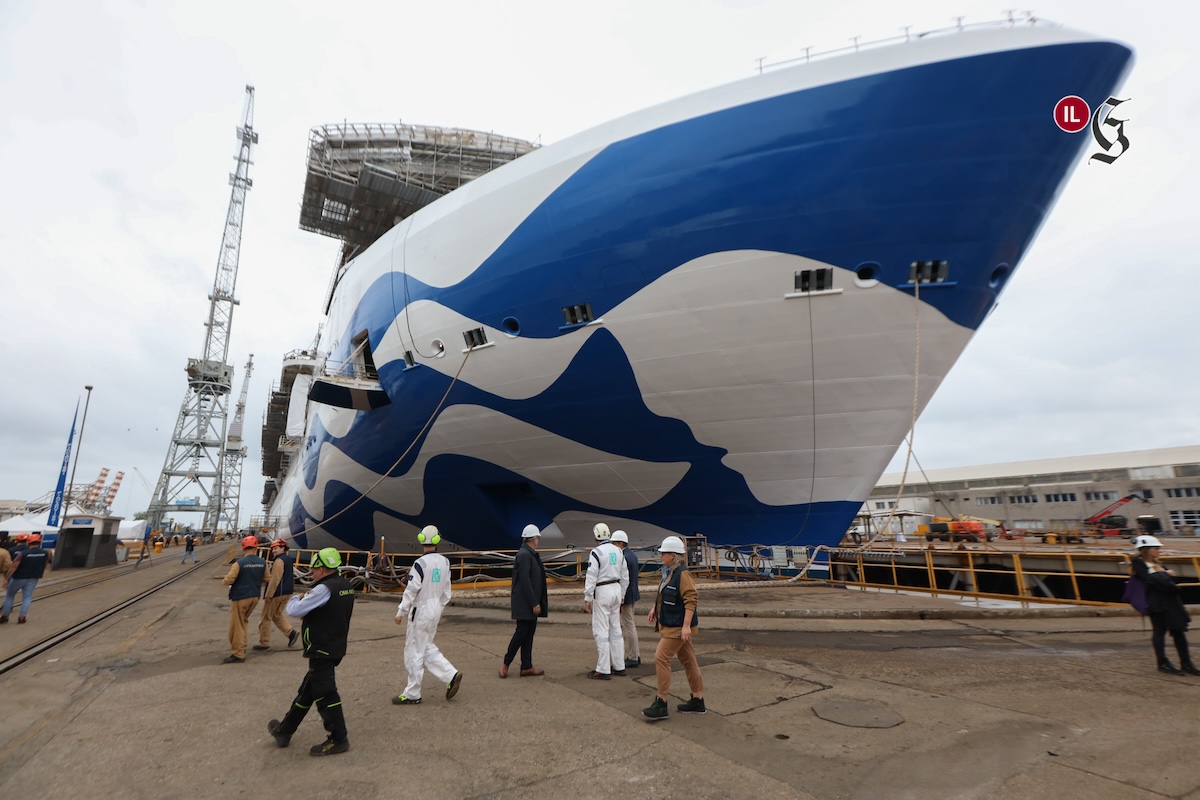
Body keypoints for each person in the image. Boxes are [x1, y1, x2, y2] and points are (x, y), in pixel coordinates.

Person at [268, 547, 355, 756]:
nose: (312, 573)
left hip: (321, 648)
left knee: (326, 694)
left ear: (323, 569)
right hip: (335, 646)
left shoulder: (323, 589)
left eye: (314, 570)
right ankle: (285, 730)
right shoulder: (346, 586)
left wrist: (297, 598)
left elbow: (294, 610)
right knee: (307, 691)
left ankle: (338, 738)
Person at [392, 525, 463, 705]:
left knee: (414, 650)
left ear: (421, 539)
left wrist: (402, 610)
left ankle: (412, 693)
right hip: (436, 608)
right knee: (425, 646)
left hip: (421, 609)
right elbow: (447, 591)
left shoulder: (420, 564)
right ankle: (450, 675)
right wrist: (439, 607)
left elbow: (412, 590)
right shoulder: (445, 562)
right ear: (438, 540)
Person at [643, 535, 705, 720]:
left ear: (672, 555)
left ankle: (661, 703)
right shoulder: (669, 572)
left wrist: (686, 626)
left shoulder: (682, 574)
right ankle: (697, 700)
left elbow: (691, 598)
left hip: (677, 626)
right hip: (673, 623)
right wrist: (655, 608)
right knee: (689, 661)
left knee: (661, 657)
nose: (661, 555)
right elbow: (666, 594)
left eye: (663, 553)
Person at [1131, 535, 1199, 675]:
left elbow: (1173, 582)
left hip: (1171, 602)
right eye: (1156, 548)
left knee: (1179, 631)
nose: (1159, 551)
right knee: (1159, 632)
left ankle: (1186, 663)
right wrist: (1165, 574)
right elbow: (1150, 580)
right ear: (1146, 550)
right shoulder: (1138, 564)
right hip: (1157, 604)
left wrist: (1164, 575)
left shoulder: (1158, 563)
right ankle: (1163, 663)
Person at [500, 524, 548, 678]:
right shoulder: (525, 555)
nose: (538, 540)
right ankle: (506, 663)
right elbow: (526, 581)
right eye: (537, 538)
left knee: (528, 634)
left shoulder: (529, 554)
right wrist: (534, 602)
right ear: (533, 539)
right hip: (525, 603)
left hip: (529, 602)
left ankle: (526, 666)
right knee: (521, 633)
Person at [583, 523, 629, 679]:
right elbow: (625, 576)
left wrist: (588, 597)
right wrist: (622, 596)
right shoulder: (618, 551)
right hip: (616, 589)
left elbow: (591, 575)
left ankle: (603, 669)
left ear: (596, 536)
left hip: (602, 591)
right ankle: (619, 666)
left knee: (601, 630)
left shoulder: (596, 552)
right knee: (615, 629)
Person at [221, 535, 266, 663]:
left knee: (236, 626)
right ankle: (243, 646)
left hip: (241, 597)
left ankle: (238, 653)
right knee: (244, 622)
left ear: (243, 548)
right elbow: (266, 578)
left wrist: (224, 581)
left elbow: (229, 579)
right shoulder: (262, 563)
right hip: (255, 597)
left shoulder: (239, 563)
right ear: (256, 548)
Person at [255, 539, 299, 651]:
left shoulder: (279, 561)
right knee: (276, 615)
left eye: (276, 548)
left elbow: (275, 579)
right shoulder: (288, 559)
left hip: (277, 593)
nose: (274, 550)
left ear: (283, 548)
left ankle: (264, 644)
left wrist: (269, 595)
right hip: (287, 592)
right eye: (273, 549)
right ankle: (291, 633)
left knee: (266, 617)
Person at [1, 533, 52, 624]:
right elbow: (45, 564)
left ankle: (5, 616)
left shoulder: (23, 553)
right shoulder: (44, 553)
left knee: (10, 596)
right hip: (33, 578)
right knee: (27, 597)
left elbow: (14, 567)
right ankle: (22, 617)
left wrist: (6, 578)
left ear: (29, 542)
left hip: (18, 578)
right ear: (39, 542)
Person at [611, 530, 642, 668]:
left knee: (629, 626)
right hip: (633, 594)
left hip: (627, 597)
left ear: (621, 543)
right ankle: (636, 654)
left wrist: (621, 599)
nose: (612, 545)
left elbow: (623, 580)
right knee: (631, 625)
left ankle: (633, 657)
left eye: (614, 543)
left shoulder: (623, 557)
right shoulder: (632, 555)